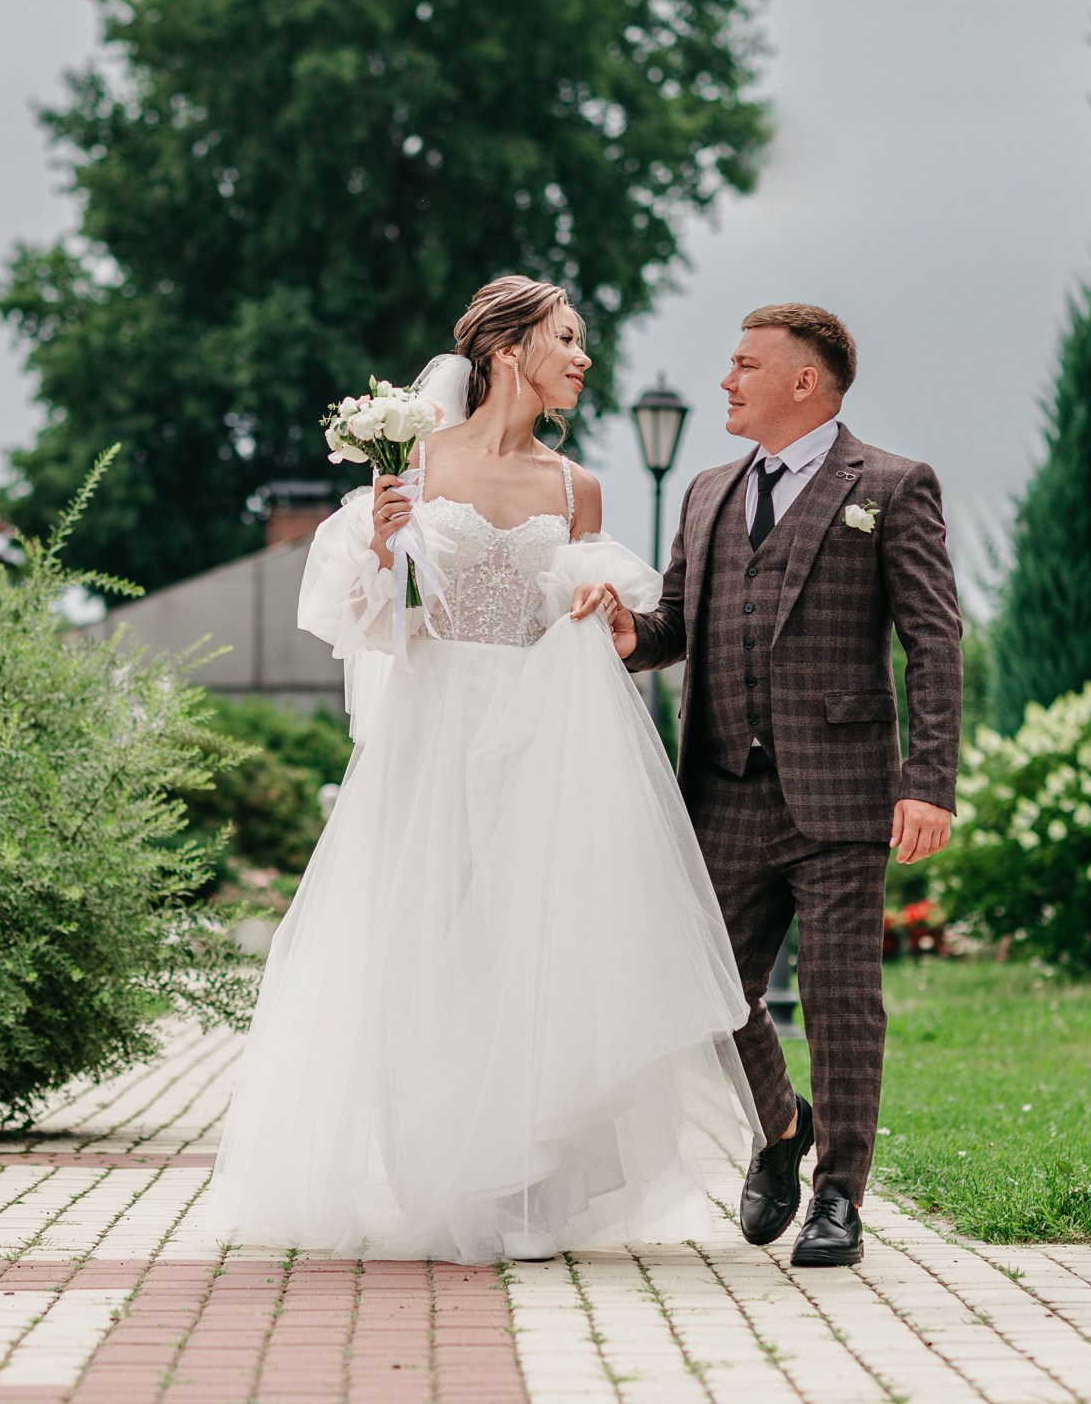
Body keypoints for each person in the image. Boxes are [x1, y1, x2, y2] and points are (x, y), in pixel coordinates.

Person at [206, 275, 758, 1265]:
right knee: (433, 941)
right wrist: (378, 547)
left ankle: (526, 1182)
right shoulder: (413, 463)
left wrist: (597, 609)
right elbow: (364, 619)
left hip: (545, 733)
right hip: (439, 726)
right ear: (507, 350)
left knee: (534, 942)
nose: (583, 358)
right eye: (567, 338)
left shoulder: (574, 485)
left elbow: (585, 606)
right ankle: (435, 1167)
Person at [574, 303, 962, 1268]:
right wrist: (630, 633)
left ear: (805, 381)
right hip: (720, 789)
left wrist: (930, 779)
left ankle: (839, 1197)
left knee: (841, 998)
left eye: (746, 365)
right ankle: (782, 1123)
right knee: (706, 991)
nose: (727, 381)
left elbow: (933, 640)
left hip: (841, 792)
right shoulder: (705, 492)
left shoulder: (892, 485)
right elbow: (676, 626)